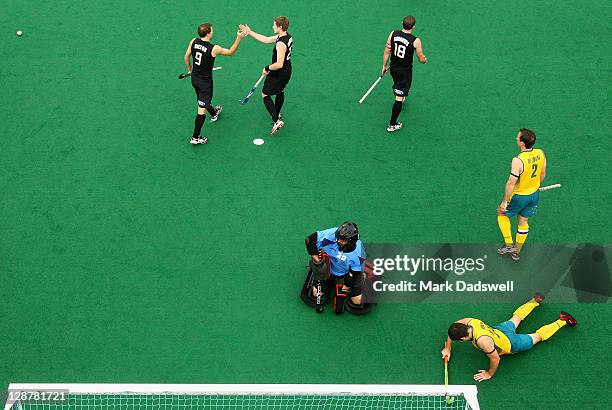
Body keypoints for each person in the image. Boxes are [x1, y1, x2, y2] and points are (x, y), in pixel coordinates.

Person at [441, 293, 577, 382]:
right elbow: (452, 332)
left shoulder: (483, 342)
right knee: (516, 318)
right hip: (500, 330)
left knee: (536, 337)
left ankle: (563, 320)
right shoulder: (470, 321)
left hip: (512, 344)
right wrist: (447, 347)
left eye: (459, 340)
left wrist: (489, 373)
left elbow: (496, 358)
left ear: (464, 338)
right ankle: (534, 301)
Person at [183, 23, 248, 145]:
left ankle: (213, 112)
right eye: (211, 31)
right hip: (205, 84)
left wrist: (190, 71)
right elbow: (230, 52)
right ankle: (195, 137)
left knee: (203, 100)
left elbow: (186, 57)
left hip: (195, 80)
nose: (213, 32)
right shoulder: (214, 48)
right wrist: (239, 37)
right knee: (201, 109)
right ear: (208, 34)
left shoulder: (193, 41)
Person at [497, 128, 546, 260]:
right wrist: (534, 186)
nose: (516, 139)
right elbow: (542, 174)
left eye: (518, 138)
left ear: (522, 143)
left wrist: (505, 201)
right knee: (523, 221)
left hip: (520, 197)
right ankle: (516, 251)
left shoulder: (518, 160)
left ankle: (508, 244)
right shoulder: (540, 153)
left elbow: (511, 184)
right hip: (534, 195)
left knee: (501, 213)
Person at [240, 17, 293, 135]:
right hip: (287, 71)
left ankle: (276, 120)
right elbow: (266, 39)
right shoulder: (287, 36)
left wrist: (267, 68)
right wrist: (250, 32)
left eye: (274, 25)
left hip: (279, 72)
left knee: (265, 94)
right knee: (280, 91)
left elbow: (279, 64)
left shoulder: (280, 44)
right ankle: (277, 113)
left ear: (280, 27)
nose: (272, 27)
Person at [304, 222, 368, 311]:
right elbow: (309, 240)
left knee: (357, 301)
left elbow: (353, 273)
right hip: (329, 267)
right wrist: (318, 262)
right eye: (338, 238)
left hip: (348, 272)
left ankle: (364, 277)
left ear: (351, 241)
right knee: (316, 294)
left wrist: (346, 286)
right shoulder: (332, 235)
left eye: (343, 240)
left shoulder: (358, 253)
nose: (338, 241)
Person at [381, 16, 427, 132]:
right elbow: (421, 58)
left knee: (399, 86)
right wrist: (424, 59)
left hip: (394, 69)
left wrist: (384, 66)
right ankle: (392, 124)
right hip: (405, 72)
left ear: (402, 23)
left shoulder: (393, 34)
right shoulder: (416, 41)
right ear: (413, 27)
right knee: (399, 97)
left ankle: (400, 92)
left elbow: (387, 50)